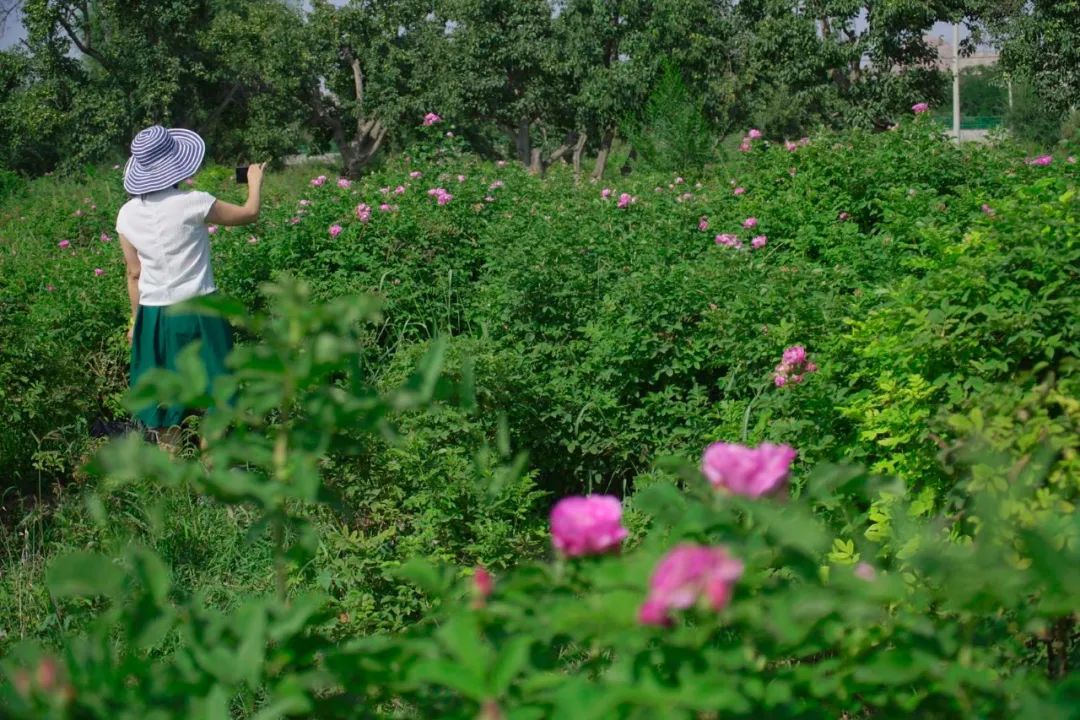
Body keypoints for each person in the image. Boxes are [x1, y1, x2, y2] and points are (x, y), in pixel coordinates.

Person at [116, 124, 266, 448]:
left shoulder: (126, 214)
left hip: (154, 316)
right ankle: (211, 461)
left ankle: (172, 464)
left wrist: (134, 321)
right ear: (175, 164)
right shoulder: (194, 202)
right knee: (215, 387)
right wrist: (254, 181)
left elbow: (134, 273)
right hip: (201, 309)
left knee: (164, 395)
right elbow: (249, 213)